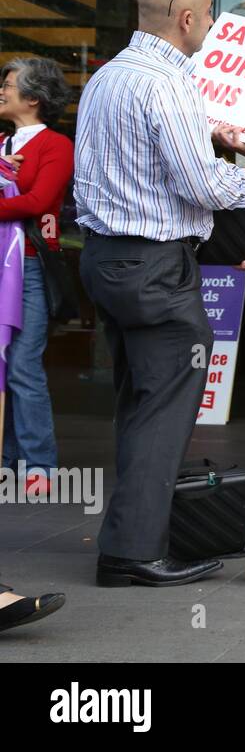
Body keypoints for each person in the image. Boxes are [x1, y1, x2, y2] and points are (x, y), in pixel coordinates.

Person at [75, 0, 245, 587]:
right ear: (188, 18)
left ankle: (133, 537)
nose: (212, 23)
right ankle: (133, 554)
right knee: (164, 410)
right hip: (154, 271)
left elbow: (117, 171)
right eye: (210, 12)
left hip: (105, 261)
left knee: (139, 405)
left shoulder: (106, 78)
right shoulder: (169, 84)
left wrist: (204, 134)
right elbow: (196, 184)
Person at [0, 58, 74, 497]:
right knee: (4, 365)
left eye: (8, 84)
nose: (1, 90)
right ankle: (11, 462)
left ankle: (39, 465)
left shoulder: (56, 146)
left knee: (24, 364)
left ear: (33, 98)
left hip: (28, 266)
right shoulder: (4, 142)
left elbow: (38, 201)